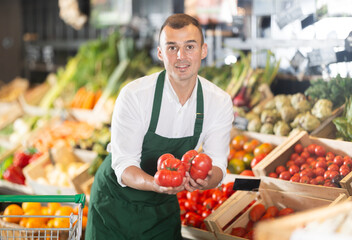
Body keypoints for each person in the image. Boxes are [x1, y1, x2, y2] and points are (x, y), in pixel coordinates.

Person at [85, 13, 234, 240]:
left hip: (161, 208)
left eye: (190, 47)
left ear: (203, 50)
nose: (181, 56)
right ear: (160, 53)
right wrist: (156, 184)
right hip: (114, 204)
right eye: (172, 47)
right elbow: (124, 166)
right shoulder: (135, 95)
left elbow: (218, 164)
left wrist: (205, 180)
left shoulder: (218, 101)